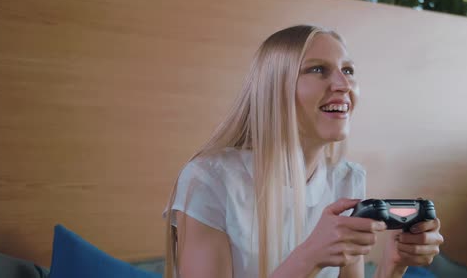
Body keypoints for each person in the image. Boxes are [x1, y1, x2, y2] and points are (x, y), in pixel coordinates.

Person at [163, 25, 444, 278]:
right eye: (318, 69)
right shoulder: (209, 180)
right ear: (275, 87)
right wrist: (310, 256)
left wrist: (393, 265)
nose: (343, 85)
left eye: (347, 70)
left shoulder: (347, 179)